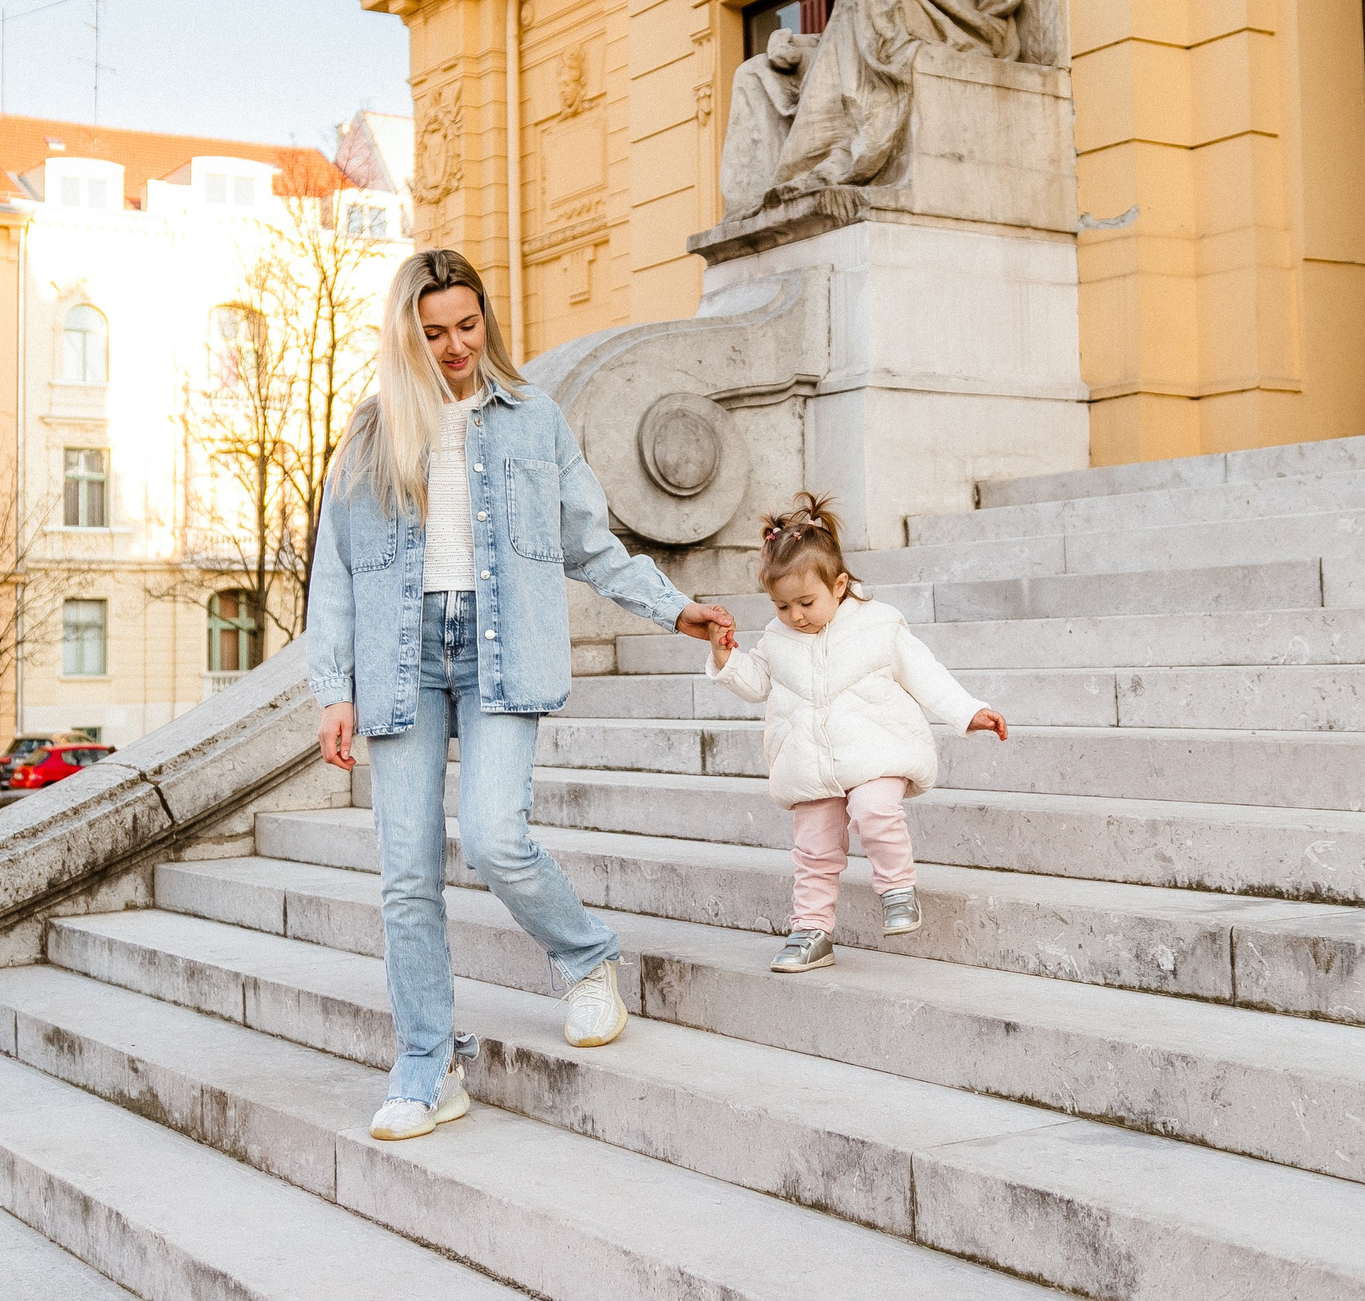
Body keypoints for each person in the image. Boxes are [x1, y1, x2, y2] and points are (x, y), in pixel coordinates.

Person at [309, 248, 736, 1143]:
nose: (456, 345)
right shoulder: (371, 431)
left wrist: (673, 607)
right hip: (402, 659)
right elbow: (336, 571)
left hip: (500, 649)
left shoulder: (533, 417)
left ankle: (586, 958)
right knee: (405, 877)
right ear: (405, 336)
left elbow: (589, 540)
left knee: (498, 838)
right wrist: (331, 687)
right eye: (433, 333)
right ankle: (429, 1063)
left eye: (468, 325)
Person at [707, 493, 1009, 973]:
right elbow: (755, 683)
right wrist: (726, 658)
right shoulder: (777, 637)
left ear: (840, 584)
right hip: (810, 763)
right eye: (782, 606)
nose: (795, 615)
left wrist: (968, 711)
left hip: (876, 750)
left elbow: (925, 674)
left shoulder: (879, 625)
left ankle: (896, 887)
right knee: (814, 851)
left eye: (806, 602)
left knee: (874, 809)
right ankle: (811, 932)